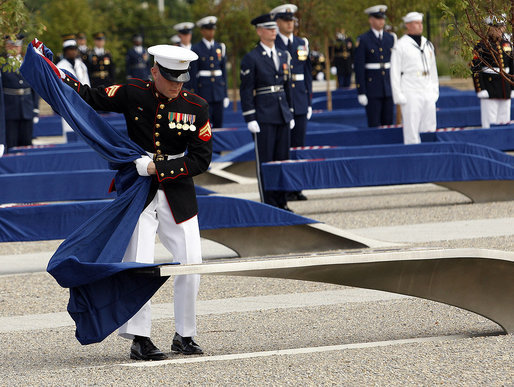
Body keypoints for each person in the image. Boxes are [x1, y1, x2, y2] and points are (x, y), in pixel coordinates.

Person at [60, 44, 212, 360]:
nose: (177, 85)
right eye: (170, 77)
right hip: (138, 193)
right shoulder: (134, 91)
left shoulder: (196, 107)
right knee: (139, 264)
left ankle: (185, 334)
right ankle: (140, 338)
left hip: (177, 191)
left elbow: (201, 158)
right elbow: (89, 95)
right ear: (154, 71)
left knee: (192, 263)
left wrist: (159, 167)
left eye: (181, 78)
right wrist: (53, 71)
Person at [240, 13, 294, 211]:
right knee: (267, 159)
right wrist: (250, 116)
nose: (274, 32)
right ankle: (269, 201)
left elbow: (288, 86)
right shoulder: (251, 58)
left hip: (281, 113)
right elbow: (246, 90)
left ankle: (282, 200)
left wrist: (291, 111)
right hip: (263, 114)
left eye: (274, 28)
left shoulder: (283, 54)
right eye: (269, 29)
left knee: (282, 158)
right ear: (259, 31)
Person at [271, 3, 312, 202]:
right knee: (284, 147)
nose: (290, 24)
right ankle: (284, 188)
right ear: (277, 23)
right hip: (283, 101)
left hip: (301, 98)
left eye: (292, 21)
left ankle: (297, 186)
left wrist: (309, 100)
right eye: (286, 21)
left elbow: (307, 72)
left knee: (299, 146)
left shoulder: (301, 42)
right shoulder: (273, 43)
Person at [390, 12, 439, 144]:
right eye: (416, 23)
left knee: (429, 124)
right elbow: (394, 72)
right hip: (410, 89)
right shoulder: (400, 45)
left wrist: (435, 90)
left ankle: (430, 152)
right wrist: (398, 94)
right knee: (412, 126)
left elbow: (433, 70)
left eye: (421, 23)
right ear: (408, 25)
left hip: (427, 87)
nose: (420, 26)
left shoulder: (427, 44)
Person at [354, 5, 395, 127]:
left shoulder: (390, 38)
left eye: (382, 18)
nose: (381, 21)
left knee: (388, 123)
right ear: (371, 20)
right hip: (372, 89)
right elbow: (359, 67)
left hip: (388, 88)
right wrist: (361, 91)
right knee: (374, 123)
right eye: (378, 18)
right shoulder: (363, 39)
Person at [471, 15, 513, 128]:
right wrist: (481, 89)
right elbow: (476, 69)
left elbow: (512, 66)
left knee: (505, 121)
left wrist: (512, 87)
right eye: (496, 27)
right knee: (490, 121)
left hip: (505, 86)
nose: (499, 30)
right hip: (489, 86)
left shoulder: (507, 44)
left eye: (501, 27)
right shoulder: (481, 45)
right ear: (489, 28)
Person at [1, 34, 39, 151]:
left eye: (18, 46)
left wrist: (35, 108)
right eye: (12, 45)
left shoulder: (27, 63)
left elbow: (34, 86)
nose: (15, 48)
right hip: (10, 109)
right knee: (12, 143)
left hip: (27, 107)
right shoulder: (2, 64)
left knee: (27, 142)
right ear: (7, 46)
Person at [190, 16, 229, 128]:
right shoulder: (196, 48)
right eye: (208, 29)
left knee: (219, 123)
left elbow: (223, 72)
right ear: (202, 31)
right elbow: (193, 75)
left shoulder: (219, 47)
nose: (211, 31)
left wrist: (225, 94)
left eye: (213, 29)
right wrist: (195, 95)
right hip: (204, 91)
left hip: (218, 91)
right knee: (204, 125)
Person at [56, 34, 91, 140]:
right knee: (71, 131)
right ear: (65, 51)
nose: (73, 52)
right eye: (70, 49)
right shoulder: (60, 67)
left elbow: (87, 84)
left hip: (83, 102)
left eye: (75, 49)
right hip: (69, 103)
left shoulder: (81, 65)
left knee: (87, 131)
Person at [173, 22, 195, 90]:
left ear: (191, 35)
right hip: (180, 84)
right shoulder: (175, 50)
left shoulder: (197, 49)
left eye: (188, 34)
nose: (186, 37)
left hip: (195, 85)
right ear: (179, 35)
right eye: (184, 34)